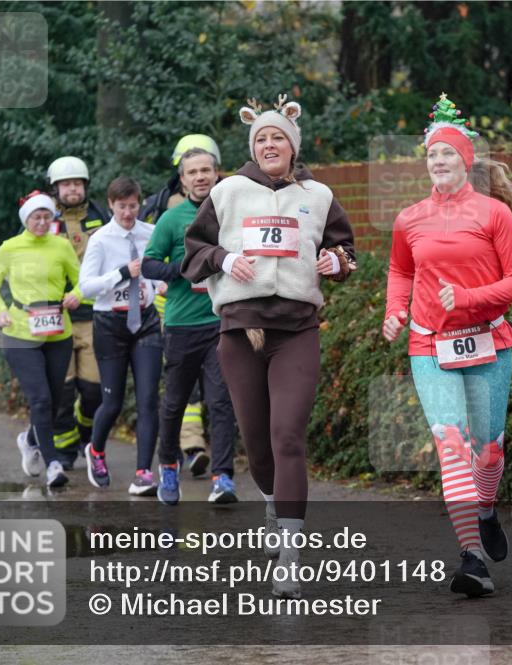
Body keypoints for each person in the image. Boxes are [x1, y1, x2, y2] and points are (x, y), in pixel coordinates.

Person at [182, 94, 356, 598]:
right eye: (261, 139)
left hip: (296, 328)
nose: (269, 145)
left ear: (292, 145)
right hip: (240, 330)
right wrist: (223, 257)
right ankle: (270, 498)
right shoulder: (229, 191)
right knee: (257, 447)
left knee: (288, 438)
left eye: (278, 137)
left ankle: (290, 555)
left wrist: (336, 263)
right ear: (252, 148)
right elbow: (193, 254)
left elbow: (345, 251)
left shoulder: (318, 196)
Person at [382, 93, 512, 598]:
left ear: (464, 160)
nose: (438, 162)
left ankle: (487, 509)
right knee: (451, 444)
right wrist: (394, 312)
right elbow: (401, 268)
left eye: (447, 154)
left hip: (488, 341)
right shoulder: (409, 219)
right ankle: (471, 557)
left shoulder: (494, 215)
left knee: (487, 451)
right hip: (430, 346)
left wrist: (469, 297)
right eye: (431, 155)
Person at [142, 146, 239, 506]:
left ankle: (223, 477)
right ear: (182, 180)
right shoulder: (171, 219)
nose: (200, 177)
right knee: (175, 403)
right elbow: (149, 265)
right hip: (182, 325)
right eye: (192, 172)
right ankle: (168, 466)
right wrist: (182, 270)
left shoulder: (231, 214)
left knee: (222, 402)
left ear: (216, 174)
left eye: (206, 170)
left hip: (221, 321)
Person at [0, 191, 83, 488]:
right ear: (25, 219)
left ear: (53, 219)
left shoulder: (62, 246)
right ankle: (53, 464)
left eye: (46, 217)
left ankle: (29, 439)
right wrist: (0, 311)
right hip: (20, 331)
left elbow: (80, 280)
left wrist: (77, 294)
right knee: (39, 398)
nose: (41, 222)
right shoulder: (10, 248)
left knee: (51, 401)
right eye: (35, 217)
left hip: (58, 330)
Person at [78, 176, 164, 496]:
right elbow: (86, 288)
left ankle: (143, 473)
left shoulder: (151, 234)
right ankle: (96, 450)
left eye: (132, 206)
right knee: (112, 402)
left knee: (147, 400)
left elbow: (155, 269)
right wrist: (123, 273)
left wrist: (158, 285)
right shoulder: (100, 240)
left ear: (138, 204)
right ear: (111, 204)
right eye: (121, 206)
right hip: (110, 324)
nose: (127, 213)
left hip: (146, 322)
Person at [46, 156, 109, 468]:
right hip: (54, 316)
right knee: (61, 388)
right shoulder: (43, 219)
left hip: (93, 314)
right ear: (55, 188)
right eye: (65, 184)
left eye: (77, 183)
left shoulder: (101, 216)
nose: (72, 189)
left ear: (85, 186)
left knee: (94, 389)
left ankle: (85, 431)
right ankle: (65, 450)